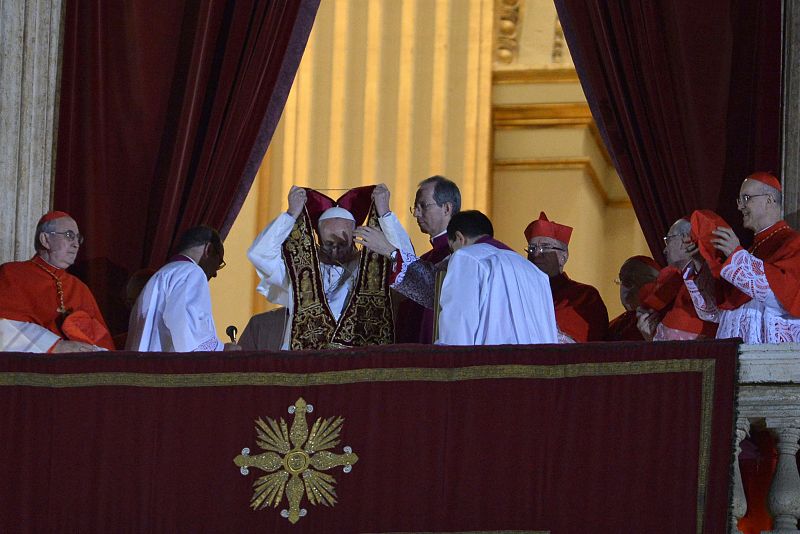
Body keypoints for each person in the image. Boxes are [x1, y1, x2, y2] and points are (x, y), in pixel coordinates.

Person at [248, 184, 413, 349]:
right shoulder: (299, 268)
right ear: (318, 238)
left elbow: (409, 265)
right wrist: (290, 216)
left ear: (356, 235)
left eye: (342, 243)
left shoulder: (374, 265)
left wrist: (385, 214)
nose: (335, 250)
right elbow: (260, 254)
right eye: (328, 243)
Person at [683, 171, 800, 342]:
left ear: (769, 199)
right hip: (733, 355)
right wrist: (700, 263)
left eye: (746, 198)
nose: (739, 207)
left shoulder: (793, 243)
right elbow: (713, 313)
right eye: (739, 200)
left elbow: (784, 297)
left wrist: (735, 255)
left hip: (769, 354)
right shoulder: (751, 250)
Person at [437, 211, 557, 345]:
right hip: (535, 362)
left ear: (459, 238)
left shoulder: (466, 257)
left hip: (489, 361)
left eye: (451, 248)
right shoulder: (533, 270)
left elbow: (459, 323)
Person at [0, 211, 113, 353]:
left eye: (78, 238)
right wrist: (54, 346)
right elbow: (4, 327)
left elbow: (103, 343)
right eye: (69, 235)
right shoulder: (11, 274)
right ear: (45, 239)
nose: (76, 244)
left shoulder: (80, 288)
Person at [126, 225, 240, 352]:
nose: (215, 274)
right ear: (209, 249)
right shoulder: (191, 272)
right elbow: (185, 328)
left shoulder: (159, 276)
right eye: (218, 263)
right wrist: (222, 350)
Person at [395, 175, 460, 343]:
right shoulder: (427, 258)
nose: (416, 213)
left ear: (446, 208)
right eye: (415, 207)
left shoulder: (459, 257)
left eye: (423, 206)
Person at [525, 212, 608, 342]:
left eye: (545, 247)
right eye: (531, 249)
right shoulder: (520, 293)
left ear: (563, 257)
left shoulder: (584, 296)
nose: (536, 254)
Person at [635, 218, 718, 341]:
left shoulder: (707, 276)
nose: (665, 250)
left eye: (668, 240)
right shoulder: (675, 280)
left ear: (685, 239)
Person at [606, 256, 660, 341]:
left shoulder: (662, 321)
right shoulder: (613, 327)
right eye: (622, 279)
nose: (625, 286)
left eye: (634, 279)